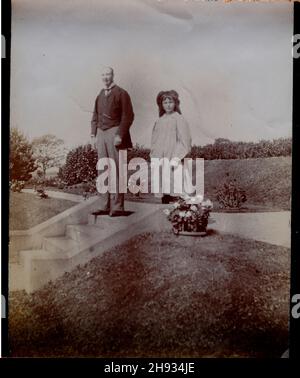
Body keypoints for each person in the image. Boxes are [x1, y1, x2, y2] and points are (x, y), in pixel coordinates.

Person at [91, 66, 134, 216]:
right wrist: (93, 135)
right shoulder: (100, 94)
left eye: (108, 74)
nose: (105, 77)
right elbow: (95, 116)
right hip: (101, 134)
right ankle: (104, 205)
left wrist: (120, 134)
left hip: (115, 132)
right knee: (103, 169)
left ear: (113, 75)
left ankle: (117, 206)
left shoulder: (121, 93)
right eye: (103, 74)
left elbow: (128, 116)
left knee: (117, 170)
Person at [150, 90, 192, 204]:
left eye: (170, 102)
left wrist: (177, 157)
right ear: (161, 105)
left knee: (176, 190)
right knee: (164, 192)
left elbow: (185, 141)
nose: (168, 105)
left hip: (173, 158)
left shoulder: (179, 119)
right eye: (165, 103)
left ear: (175, 103)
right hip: (160, 159)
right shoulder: (159, 120)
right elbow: (154, 141)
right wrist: (154, 155)